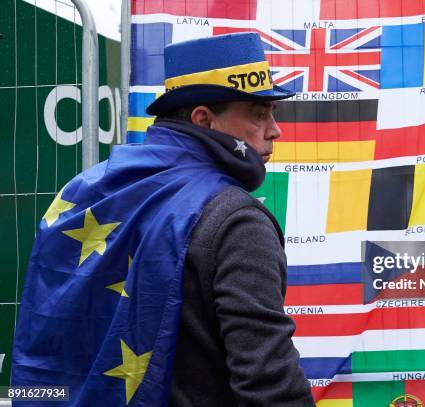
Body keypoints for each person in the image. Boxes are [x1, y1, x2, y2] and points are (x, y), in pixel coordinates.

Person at [12, 33, 314, 406]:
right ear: (204, 119)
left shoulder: (85, 190)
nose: (274, 130)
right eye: (257, 114)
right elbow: (270, 383)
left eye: (273, 113)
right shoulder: (237, 219)